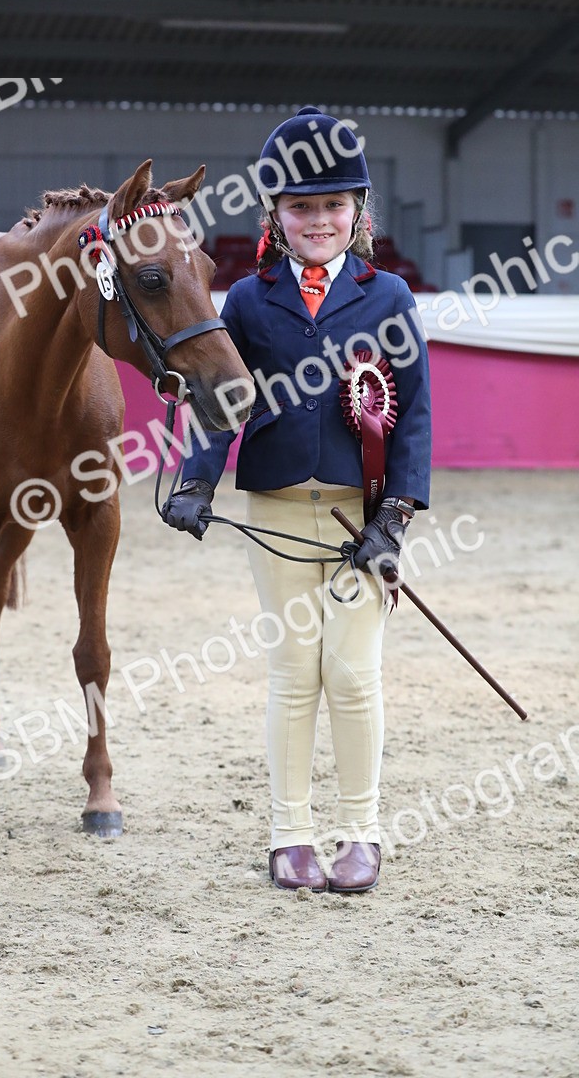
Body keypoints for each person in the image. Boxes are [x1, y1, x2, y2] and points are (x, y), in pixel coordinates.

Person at [162, 106, 432, 894]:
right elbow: (223, 398)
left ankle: (362, 832)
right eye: (303, 207)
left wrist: (395, 517)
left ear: (359, 214)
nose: (320, 220)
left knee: (351, 673)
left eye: (334, 206)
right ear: (275, 216)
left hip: (360, 516)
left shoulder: (390, 298)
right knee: (293, 673)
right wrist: (194, 478)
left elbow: (412, 412)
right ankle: (291, 837)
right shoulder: (246, 301)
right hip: (277, 510)